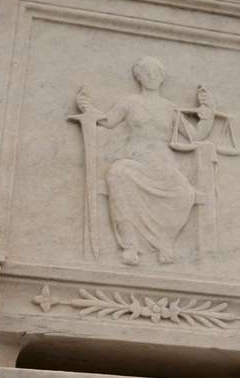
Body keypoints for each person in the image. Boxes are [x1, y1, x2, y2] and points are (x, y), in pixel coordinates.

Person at [77, 57, 215, 266]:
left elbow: (194, 136)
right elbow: (107, 122)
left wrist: (208, 114)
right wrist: (87, 108)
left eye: (156, 73)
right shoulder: (129, 102)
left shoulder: (170, 108)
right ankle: (130, 246)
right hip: (135, 159)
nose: (151, 77)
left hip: (163, 164)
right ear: (139, 77)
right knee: (117, 173)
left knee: (183, 192)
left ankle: (165, 243)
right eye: (146, 73)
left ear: (161, 78)